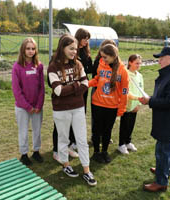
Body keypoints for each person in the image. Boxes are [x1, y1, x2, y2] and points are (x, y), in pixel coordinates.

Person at [47, 34, 97, 186]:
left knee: (82, 139)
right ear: (62, 48)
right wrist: (76, 85)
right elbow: (58, 91)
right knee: (63, 139)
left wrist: (71, 87)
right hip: (61, 109)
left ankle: (87, 171)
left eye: (75, 49)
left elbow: (85, 84)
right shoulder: (53, 66)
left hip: (78, 107)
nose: (74, 51)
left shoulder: (78, 64)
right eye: (71, 48)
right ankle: (65, 165)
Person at [138, 46, 170, 192]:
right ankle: (163, 170)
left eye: (161, 58)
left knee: (162, 150)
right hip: (165, 119)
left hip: (169, 121)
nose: (159, 61)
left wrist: (150, 101)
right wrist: (152, 99)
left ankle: (161, 182)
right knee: (162, 149)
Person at [89, 44, 129, 164]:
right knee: (96, 130)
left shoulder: (122, 70)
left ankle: (104, 151)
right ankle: (96, 152)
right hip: (97, 103)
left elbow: (124, 91)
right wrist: (86, 83)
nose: (103, 59)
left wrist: (121, 108)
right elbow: (97, 79)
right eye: (102, 56)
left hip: (111, 106)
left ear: (113, 56)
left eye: (105, 57)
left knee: (107, 131)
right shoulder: (101, 64)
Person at [12, 37, 45, 166]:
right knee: (23, 131)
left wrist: (38, 105)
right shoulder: (17, 67)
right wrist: (27, 106)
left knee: (37, 130)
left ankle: (36, 151)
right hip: (22, 107)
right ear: (23, 50)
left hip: (37, 107)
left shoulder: (39, 66)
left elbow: (42, 87)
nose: (31, 51)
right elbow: (16, 90)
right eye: (28, 48)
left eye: (33, 48)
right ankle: (24, 154)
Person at [91, 39, 117, 143]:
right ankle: (95, 136)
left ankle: (105, 135)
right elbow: (95, 77)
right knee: (96, 117)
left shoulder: (116, 63)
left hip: (110, 93)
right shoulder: (98, 61)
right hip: (98, 91)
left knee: (108, 117)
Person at [118, 54, 144, 154]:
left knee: (131, 125)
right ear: (130, 62)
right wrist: (136, 99)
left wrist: (139, 103)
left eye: (140, 63)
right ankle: (121, 144)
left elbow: (141, 90)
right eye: (136, 63)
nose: (139, 65)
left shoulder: (140, 76)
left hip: (136, 105)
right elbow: (126, 91)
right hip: (127, 104)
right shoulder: (126, 74)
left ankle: (128, 142)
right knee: (125, 124)